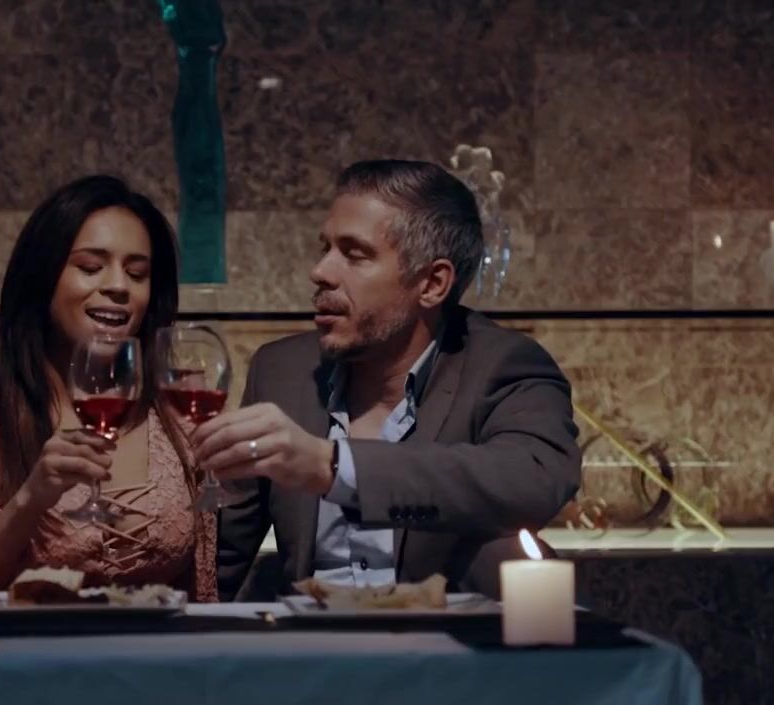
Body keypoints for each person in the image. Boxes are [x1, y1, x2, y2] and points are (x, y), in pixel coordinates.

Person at [199, 160, 581, 600]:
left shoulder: (503, 365)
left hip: (441, 639)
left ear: (432, 284)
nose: (321, 271)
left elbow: (535, 481)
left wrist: (333, 466)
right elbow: (218, 558)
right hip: (309, 637)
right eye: (325, 248)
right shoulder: (282, 370)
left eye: (354, 254)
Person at [0, 175, 215, 602]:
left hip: (160, 647)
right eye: (91, 267)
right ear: (41, 279)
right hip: (23, 647)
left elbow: (202, 591)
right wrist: (29, 500)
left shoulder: (178, 422)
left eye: (137, 273)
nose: (118, 286)